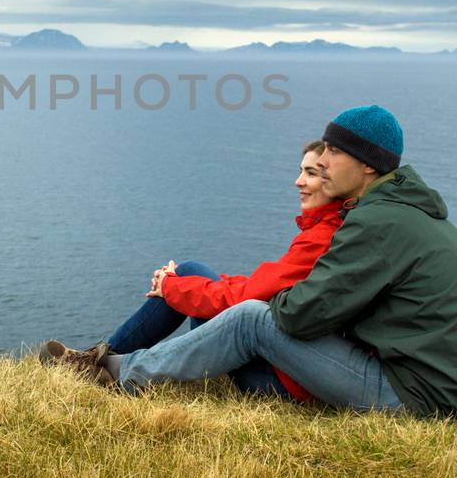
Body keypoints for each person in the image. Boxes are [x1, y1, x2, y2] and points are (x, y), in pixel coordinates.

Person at [44, 105, 457, 418]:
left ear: (367, 166)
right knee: (244, 309)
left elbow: (300, 316)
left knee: (251, 320)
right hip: (454, 392)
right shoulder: (399, 213)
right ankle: (109, 362)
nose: (322, 160)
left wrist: (268, 304)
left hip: (421, 398)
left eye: (334, 152)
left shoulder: (377, 222)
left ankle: (119, 372)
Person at [43, 140, 346, 402]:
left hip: (278, 383)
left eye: (310, 173)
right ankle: (97, 360)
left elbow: (244, 302)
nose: (298, 181)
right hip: (288, 370)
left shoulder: (322, 238)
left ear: (333, 183)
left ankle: (100, 364)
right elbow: (268, 287)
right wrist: (179, 283)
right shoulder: (326, 230)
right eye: (300, 170)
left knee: (188, 276)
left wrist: (172, 287)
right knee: (191, 273)